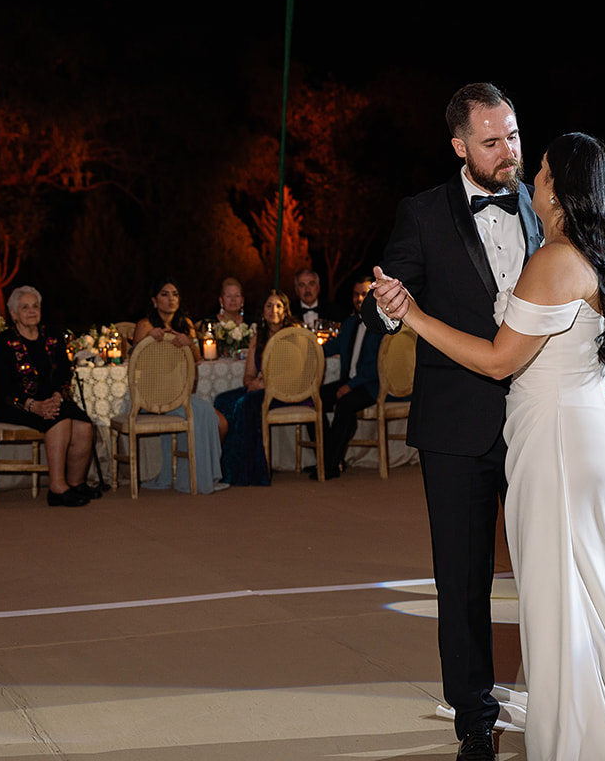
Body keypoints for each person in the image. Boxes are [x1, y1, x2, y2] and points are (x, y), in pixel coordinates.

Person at [375, 133, 605, 761]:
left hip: (555, 438)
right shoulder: (603, 251)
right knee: (583, 582)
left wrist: (413, 317)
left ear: (561, 188)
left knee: (557, 587)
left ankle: (573, 732)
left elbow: (500, 361)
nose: (530, 169)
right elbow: (604, 336)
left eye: (542, 166)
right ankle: (588, 706)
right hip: (586, 431)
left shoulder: (554, 257)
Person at [359, 82, 544, 759]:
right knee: (462, 580)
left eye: (515, 136)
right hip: (456, 425)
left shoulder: (542, 203)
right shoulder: (422, 211)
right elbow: (392, 290)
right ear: (460, 146)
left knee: (547, 571)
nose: (509, 152)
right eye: (493, 141)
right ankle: (475, 721)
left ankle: (561, 695)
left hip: (537, 418)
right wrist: (389, 299)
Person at [0, 284, 97, 507]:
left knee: (84, 425)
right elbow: (1, 386)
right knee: (59, 418)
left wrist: (58, 395)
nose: (31, 311)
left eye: (35, 306)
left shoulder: (52, 336)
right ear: (13, 314)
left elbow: (64, 373)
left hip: (51, 400)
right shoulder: (4, 341)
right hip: (14, 404)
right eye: (25, 307)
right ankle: (57, 488)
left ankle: (76, 483)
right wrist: (32, 405)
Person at [129, 277, 225, 493]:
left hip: (178, 393)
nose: (171, 299)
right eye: (165, 294)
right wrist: (147, 340)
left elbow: (198, 358)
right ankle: (200, 480)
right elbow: (134, 361)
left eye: (175, 294)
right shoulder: (145, 325)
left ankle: (200, 478)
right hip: (151, 395)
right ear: (155, 300)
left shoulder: (186, 325)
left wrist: (189, 343)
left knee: (210, 415)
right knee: (202, 410)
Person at [214, 291, 300, 487]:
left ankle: (249, 473)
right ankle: (225, 469)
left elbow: (297, 371)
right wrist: (252, 383)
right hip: (261, 389)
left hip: (287, 391)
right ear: (262, 311)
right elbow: (248, 376)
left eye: (278, 306)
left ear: (285, 310)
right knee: (223, 400)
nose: (273, 310)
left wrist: (268, 384)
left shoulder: (293, 333)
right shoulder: (258, 337)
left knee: (245, 404)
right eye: (269, 306)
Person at [310, 273, 381, 480]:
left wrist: (350, 386)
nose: (359, 299)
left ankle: (329, 466)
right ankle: (325, 459)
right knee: (313, 398)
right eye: (356, 294)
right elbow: (331, 346)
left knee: (345, 404)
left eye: (365, 294)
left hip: (371, 385)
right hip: (349, 381)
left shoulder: (383, 325)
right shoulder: (350, 323)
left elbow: (378, 367)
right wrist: (306, 348)